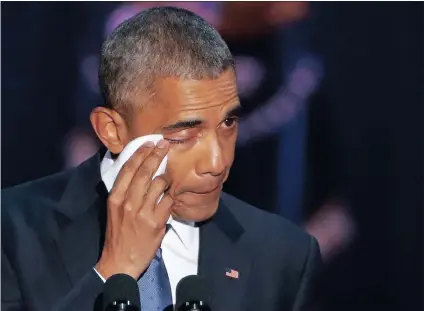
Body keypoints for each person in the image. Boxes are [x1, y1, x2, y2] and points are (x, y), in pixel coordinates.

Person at [2, 7, 322, 311]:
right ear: (112, 131)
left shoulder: (283, 254)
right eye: (184, 133)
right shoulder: (14, 232)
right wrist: (114, 271)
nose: (217, 161)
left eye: (227, 123)